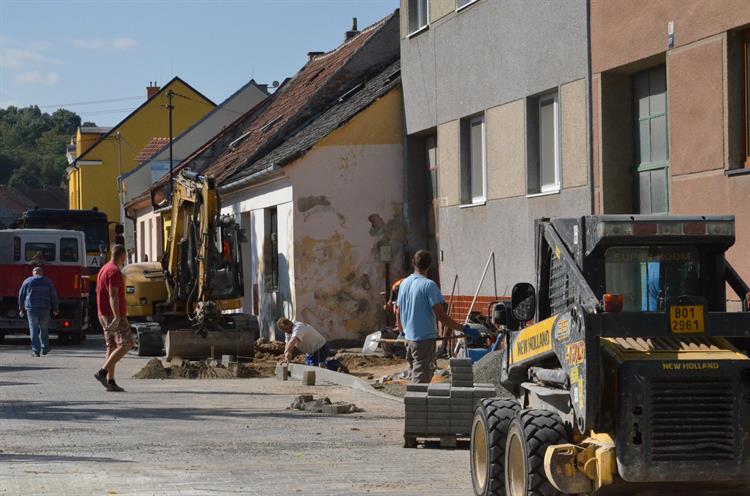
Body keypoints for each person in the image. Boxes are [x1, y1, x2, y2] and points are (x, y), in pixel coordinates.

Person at [396, 250, 467, 384]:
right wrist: (463, 328)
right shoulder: (428, 285)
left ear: (413, 262)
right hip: (423, 341)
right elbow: (441, 317)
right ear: (430, 265)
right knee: (420, 384)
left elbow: (398, 312)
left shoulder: (404, 284)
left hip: (409, 341)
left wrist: (401, 332)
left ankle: (414, 403)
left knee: (414, 377)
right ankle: (416, 405)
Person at [93, 245, 133, 392]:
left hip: (102, 313)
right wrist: (117, 316)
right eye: (125, 257)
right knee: (127, 343)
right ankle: (102, 372)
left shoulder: (103, 269)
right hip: (113, 315)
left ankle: (111, 381)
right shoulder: (114, 271)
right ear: (122, 255)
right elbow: (113, 295)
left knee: (111, 346)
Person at [18, 266, 59, 357]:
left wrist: (21, 308)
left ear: (33, 273)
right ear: (41, 273)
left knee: (33, 329)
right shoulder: (47, 281)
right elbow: (53, 295)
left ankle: (36, 350)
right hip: (45, 308)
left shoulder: (27, 281)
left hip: (32, 309)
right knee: (44, 329)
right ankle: (45, 348)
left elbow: (21, 295)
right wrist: (56, 308)